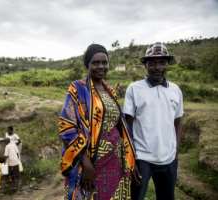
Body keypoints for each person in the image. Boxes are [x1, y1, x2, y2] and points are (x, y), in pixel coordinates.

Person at [59, 44, 136, 200]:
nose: (101, 66)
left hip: (115, 159)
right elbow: (67, 127)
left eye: (104, 62)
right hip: (91, 160)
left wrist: (129, 156)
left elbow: (119, 124)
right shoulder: (78, 88)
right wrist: (86, 163)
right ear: (87, 65)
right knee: (89, 194)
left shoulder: (110, 90)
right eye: (95, 63)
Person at [123, 42, 183, 200]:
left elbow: (177, 122)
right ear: (146, 65)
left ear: (167, 64)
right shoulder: (134, 89)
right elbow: (127, 125)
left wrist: (175, 151)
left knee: (167, 197)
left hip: (169, 158)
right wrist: (131, 158)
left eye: (162, 62)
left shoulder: (175, 90)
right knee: (136, 197)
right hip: (142, 158)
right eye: (152, 63)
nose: (157, 67)